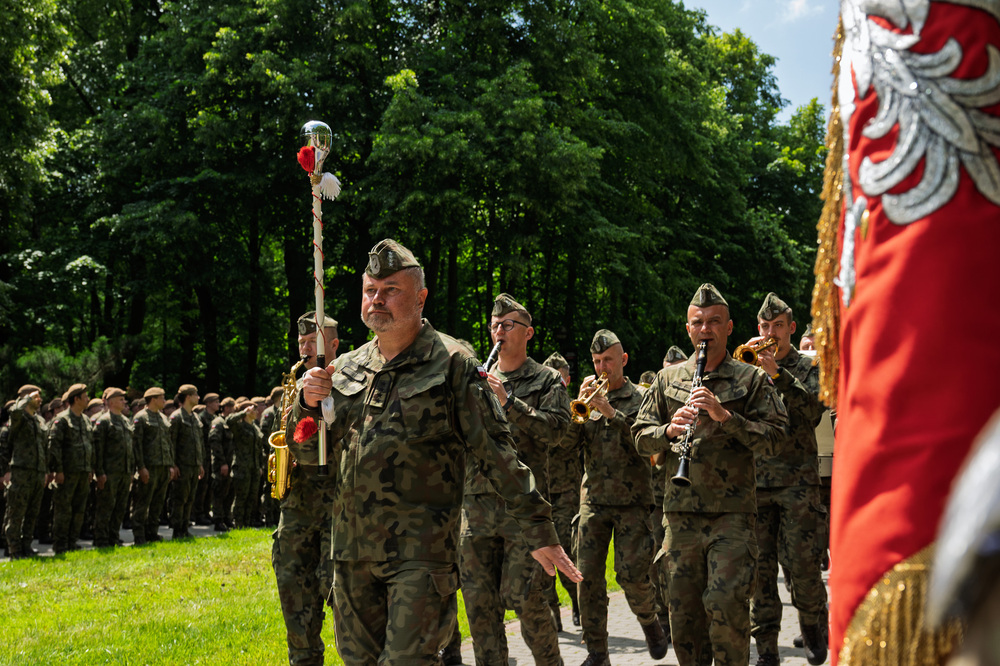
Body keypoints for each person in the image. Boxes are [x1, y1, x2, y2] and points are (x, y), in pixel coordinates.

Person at [290, 238, 581, 665]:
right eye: (371, 290)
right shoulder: (345, 368)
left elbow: (497, 452)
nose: (377, 300)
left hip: (420, 557)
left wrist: (539, 530)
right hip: (352, 554)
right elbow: (310, 458)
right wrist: (306, 405)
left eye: (391, 290)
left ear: (421, 298)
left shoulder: (454, 363)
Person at [633, 283, 787, 666]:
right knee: (685, 623)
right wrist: (668, 431)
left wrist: (726, 417)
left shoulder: (750, 380)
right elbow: (639, 436)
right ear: (688, 329)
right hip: (680, 518)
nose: (706, 329)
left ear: (729, 327)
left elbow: (777, 438)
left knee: (725, 609)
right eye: (698, 322)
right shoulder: (668, 381)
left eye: (715, 322)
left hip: (731, 517)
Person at [460, 292, 571, 666]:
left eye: (508, 325)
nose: (499, 331)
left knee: (524, 598)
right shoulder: (472, 378)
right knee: (479, 607)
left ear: (528, 333)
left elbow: (557, 432)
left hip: (524, 508)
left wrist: (510, 402)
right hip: (476, 507)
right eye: (495, 325)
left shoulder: (547, 379)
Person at [566, 330, 669, 666]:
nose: (602, 367)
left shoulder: (643, 397)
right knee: (587, 577)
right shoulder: (587, 398)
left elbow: (649, 445)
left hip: (633, 501)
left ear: (622, 360)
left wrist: (611, 412)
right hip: (593, 500)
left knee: (631, 576)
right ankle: (597, 652)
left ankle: (650, 620)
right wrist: (577, 412)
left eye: (607, 360)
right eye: (596, 361)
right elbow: (565, 446)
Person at [744, 293, 827, 666]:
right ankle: (766, 649)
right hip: (756, 484)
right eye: (764, 326)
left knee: (803, 565)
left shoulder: (808, 367)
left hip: (797, 482)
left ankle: (813, 629)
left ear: (791, 328)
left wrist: (778, 374)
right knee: (759, 573)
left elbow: (811, 411)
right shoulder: (747, 369)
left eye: (777, 326)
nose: (770, 333)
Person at [271, 310, 340, 666]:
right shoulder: (290, 388)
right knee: (295, 601)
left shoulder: (350, 385)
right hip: (296, 512)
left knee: (346, 605)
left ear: (334, 345)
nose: (305, 349)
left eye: (312, 342)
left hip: (337, 510)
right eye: (301, 343)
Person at [543, 351, 583, 629]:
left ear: (567, 380)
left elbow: (565, 443)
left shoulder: (576, 411)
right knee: (540, 555)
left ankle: (578, 604)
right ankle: (552, 612)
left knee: (566, 551)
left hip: (567, 490)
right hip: (539, 492)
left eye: (559, 378)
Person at [1, 386, 50, 559]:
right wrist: (26, 399)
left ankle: (27, 546)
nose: (40, 400)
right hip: (21, 471)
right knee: (16, 513)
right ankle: (14, 549)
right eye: (36, 397)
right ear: (25, 398)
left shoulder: (40, 420)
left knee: (32, 512)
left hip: (38, 471)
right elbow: (14, 410)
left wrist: (46, 471)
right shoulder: (18, 417)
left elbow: (45, 448)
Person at [47, 383, 96, 554]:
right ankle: (60, 544)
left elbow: (90, 446)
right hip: (67, 472)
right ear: (76, 399)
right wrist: (58, 470)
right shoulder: (62, 420)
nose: (88, 399)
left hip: (83, 471)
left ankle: (72, 541)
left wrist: (90, 468)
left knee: (79, 509)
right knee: (63, 509)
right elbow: (54, 447)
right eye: (85, 396)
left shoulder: (85, 420)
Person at [131, 387, 178, 545]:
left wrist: (171, 465)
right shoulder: (141, 418)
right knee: (143, 501)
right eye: (162, 398)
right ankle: (139, 534)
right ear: (153, 399)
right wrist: (141, 467)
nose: (164, 401)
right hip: (149, 466)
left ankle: (152, 532)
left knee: (158, 502)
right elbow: (136, 445)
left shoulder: (164, 418)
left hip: (163, 466)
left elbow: (168, 443)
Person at [92, 387, 135, 548]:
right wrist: (100, 472)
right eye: (120, 399)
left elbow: (130, 448)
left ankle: (113, 536)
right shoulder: (103, 422)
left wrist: (131, 471)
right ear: (110, 402)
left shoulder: (125, 421)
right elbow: (98, 450)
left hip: (124, 472)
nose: (124, 402)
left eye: (124, 399)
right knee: (106, 507)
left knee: (120, 507)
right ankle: (101, 539)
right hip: (110, 472)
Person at [169, 385, 205, 539]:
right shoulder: (177, 417)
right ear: (188, 397)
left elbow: (199, 443)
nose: (198, 397)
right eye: (195, 394)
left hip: (194, 464)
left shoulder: (195, 417)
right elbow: (171, 443)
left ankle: (184, 527)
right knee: (180, 498)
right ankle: (177, 530)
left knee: (190, 498)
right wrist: (173, 464)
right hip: (182, 465)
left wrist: (200, 464)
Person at [228, 399, 262, 528]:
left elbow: (258, 450)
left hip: (253, 467)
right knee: (241, 497)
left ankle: (247, 523)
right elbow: (229, 420)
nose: (257, 412)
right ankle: (238, 523)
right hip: (242, 467)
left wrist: (259, 466)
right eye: (254, 410)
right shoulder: (239, 427)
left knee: (251, 497)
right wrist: (243, 413)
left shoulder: (254, 427)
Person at [209, 397, 236, 532]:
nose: (233, 411)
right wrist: (222, 463)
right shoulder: (218, 422)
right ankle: (218, 520)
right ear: (225, 408)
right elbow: (215, 443)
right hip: (221, 464)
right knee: (219, 493)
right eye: (231, 408)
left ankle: (226, 518)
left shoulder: (229, 423)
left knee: (228, 492)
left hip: (230, 463)